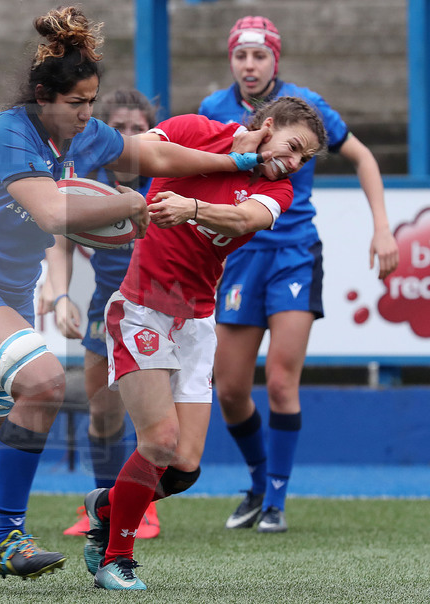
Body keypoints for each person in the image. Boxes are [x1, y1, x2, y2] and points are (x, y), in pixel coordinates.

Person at [0, 5, 268, 589]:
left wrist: (236, 159)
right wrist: (133, 204)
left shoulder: (83, 133)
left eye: (92, 101)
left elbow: (154, 155)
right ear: (43, 97)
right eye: (77, 103)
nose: (88, 114)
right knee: (43, 384)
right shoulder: (10, 132)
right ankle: (8, 535)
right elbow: (54, 210)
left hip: (1, 297)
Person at [82, 96, 328, 590]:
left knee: (185, 466)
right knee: (159, 441)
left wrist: (191, 206)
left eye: (306, 158)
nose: (296, 163)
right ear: (271, 125)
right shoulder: (195, 128)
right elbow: (137, 156)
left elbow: (243, 221)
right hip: (142, 307)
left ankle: (105, 505)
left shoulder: (278, 188)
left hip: (195, 321)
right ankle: (116, 557)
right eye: (295, 147)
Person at [200, 16, 399, 533]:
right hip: (239, 255)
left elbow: (363, 158)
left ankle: (277, 502)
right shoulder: (214, 111)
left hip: (293, 252)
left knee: (283, 383)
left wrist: (382, 229)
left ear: (275, 60)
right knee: (229, 389)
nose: (249, 65)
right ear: (231, 60)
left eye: (259, 56)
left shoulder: (306, 108)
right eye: (241, 56)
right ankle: (260, 480)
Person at [38, 89, 160, 538]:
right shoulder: (87, 183)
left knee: (153, 418)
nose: (130, 136)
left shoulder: (168, 183)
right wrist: (58, 294)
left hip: (163, 308)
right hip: (106, 306)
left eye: (139, 128)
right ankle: (103, 506)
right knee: (103, 411)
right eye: (121, 128)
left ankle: (143, 507)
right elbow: (61, 241)